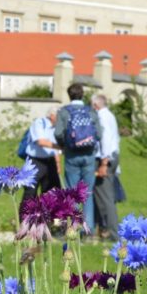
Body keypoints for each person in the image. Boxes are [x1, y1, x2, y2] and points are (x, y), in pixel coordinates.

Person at [53, 83, 101, 236]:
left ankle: (72, 228)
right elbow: (99, 134)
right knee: (87, 193)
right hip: (89, 155)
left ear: (69, 95)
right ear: (82, 95)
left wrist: (64, 144)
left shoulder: (64, 112)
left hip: (72, 155)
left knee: (72, 193)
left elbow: (58, 133)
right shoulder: (91, 111)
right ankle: (88, 230)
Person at [91, 94, 121, 239]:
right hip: (112, 156)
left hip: (106, 158)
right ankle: (103, 228)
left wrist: (104, 162)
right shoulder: (110, 115)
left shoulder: (101, 117)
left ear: (95, 105)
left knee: (106, 197)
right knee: (103, 196)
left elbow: (106, 139)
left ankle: (113, 233)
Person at [20, 109, 60, 210]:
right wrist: (61, 147)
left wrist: (58, 163)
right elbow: (41, 142)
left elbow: (54, 148)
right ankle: (25, 220)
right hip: (35, 161)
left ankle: (48, 219)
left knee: (51, 192)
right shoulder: (39, 123)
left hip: (50, 161)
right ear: (52, 115)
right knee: (30, 192)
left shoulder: (56, 127)